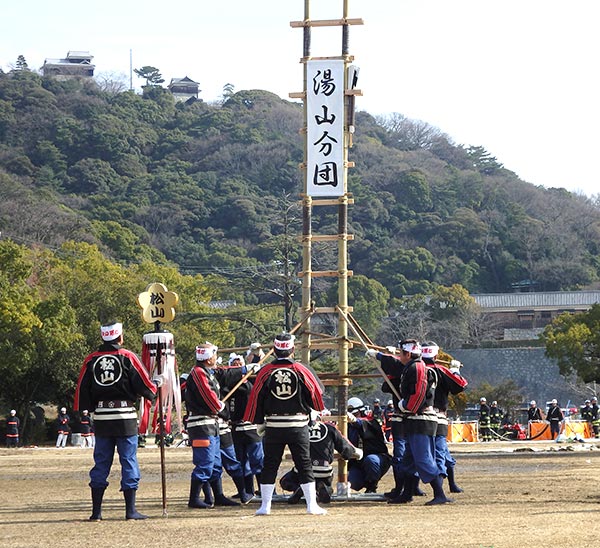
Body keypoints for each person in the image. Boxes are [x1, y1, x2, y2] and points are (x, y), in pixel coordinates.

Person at [74, 320, 161, 521]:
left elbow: (81, 389)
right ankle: (130, 511)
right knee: (128, 460)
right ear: (120, 337)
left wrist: (85, 411)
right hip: (125, 417)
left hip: (102, 418)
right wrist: (155, 386)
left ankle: (96, 512)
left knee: (101, 461)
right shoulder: (127, 356)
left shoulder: (91, 360)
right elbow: (144, 384)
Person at [243, 332, 327, 515]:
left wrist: (256, 420)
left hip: (273, 425)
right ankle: (311, 505)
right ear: (293, 349)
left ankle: (265, 506)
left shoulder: (265, 371)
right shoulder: (301, 369)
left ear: (273, 350)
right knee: (304, 463)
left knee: (270, 464)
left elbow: (255, 396)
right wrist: (316, 409)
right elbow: (317, 392)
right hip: (298, 425)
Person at [367, 339, 452, 505]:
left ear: (407, 354)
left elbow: (419, 393)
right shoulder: (411, 366)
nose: (399, 356)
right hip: (414, 420)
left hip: (421, 420)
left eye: (400, 353)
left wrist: (405, 405)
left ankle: (439, 493)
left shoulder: (418, 368)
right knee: (408, 462)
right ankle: (407, 493)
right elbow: (396, 364)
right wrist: (379, 356)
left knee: (423, 459)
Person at [184, 342, 240, 509]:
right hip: (202, 425)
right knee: (205, 462)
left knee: (215, 463)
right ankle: (193, 499)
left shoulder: (207, 372)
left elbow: (223, 372)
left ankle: (219, 496)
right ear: (208, 358)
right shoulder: (198, 374)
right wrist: (222, 409)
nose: (216, 358)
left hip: (211, 424)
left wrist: (244, 370)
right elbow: (210, 399)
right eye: (214, 355)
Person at [281, 410, 362, 504]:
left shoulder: (298, 429)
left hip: (302, 468)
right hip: (324, 469)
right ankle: (324, 487)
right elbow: (346, 450)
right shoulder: (330, 429)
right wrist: (357, 453)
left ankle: (299, 488)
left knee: (285, 481)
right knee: (327, 483)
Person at [421, 342, 468, 494]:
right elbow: (460, 385)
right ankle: (443, 489)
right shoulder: (441, 370)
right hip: (439, 416)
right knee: (440, 452)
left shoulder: (416, 369)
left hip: (419, 416)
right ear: (435, 356)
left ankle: (414, 488)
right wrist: (455, 371)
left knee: (418, 451)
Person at [346, 397, 391, 494]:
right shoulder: (347, 427)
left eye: (355, 414)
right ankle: (365, 481)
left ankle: (372, 486)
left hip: (377, 457)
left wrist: (354, 419)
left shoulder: (371, 422)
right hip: (358, 461)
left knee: (371, 460)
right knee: (354, 482)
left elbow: (361, 423)